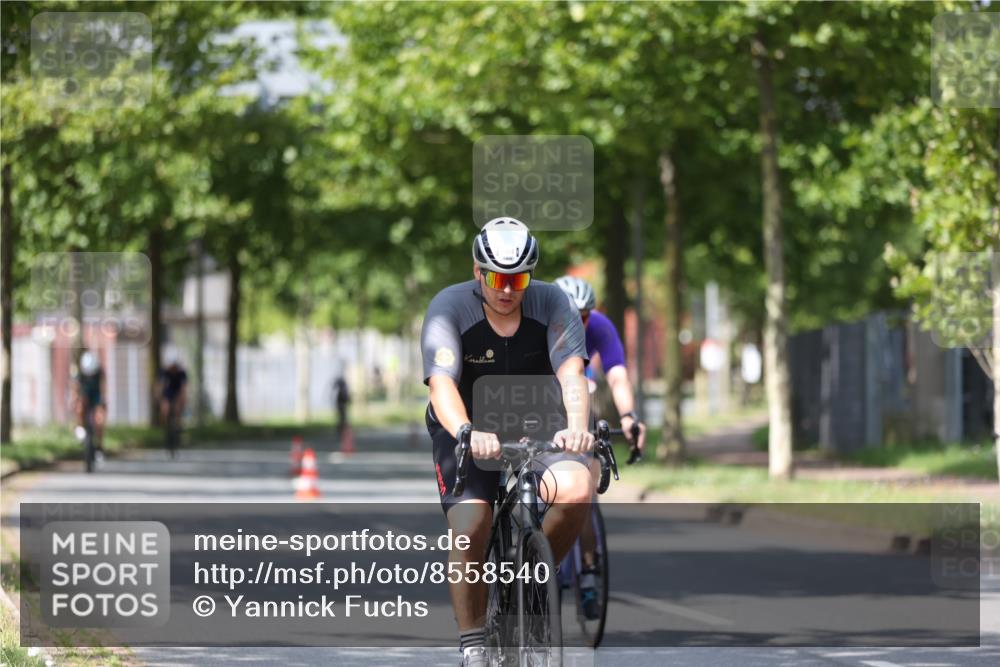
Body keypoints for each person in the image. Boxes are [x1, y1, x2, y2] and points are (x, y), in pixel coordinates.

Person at [421, 217, 597, 667]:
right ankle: (474, 644)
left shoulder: (552, 303)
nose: (507, 289)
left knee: (577, 488)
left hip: (540, 422)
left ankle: (530, 583)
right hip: (468, 424)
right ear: (478, 271)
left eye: (518, 278)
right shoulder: (448, 308)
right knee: (469, 527)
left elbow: (572, 374)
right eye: (497, 277)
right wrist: (466, 431)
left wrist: (577, 425)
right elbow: (441, 385)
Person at [555, 275, 647, 619]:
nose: (577, 322)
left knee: (586, 491)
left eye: (583, 316)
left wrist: (629, 415)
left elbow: (617, 374)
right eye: (569, 315)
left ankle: (589, 571)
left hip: (582, 389)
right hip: (542, 390)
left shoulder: (601, 326)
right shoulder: (535, 320)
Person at [73, 350, 107, 457]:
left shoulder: (100, 374)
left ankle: (99, 446)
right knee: (79, 409)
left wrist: (102, 402)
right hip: (85, 396)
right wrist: (75, 400)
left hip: (96, 396)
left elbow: (103, 389)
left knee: (99, 420)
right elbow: (75, 389)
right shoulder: (79, 375)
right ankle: (80, 429)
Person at [158, 354, 188, 439]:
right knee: (165, 408)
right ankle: (164, 427)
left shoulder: (181, 373)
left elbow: (184, 387)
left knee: (178, 407)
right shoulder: (164, 372)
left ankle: (178, 426)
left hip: (177, 391)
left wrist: (184, 398)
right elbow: (160, 385)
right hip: (167, 391)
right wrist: (160, 397)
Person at [332, 375, 351, 440]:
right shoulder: (342, 390)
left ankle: (342, 431)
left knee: (342, 419)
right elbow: (346, 398)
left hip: (341, 406)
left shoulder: (340, 390)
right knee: (342, 419)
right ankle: (342, 431)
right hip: (341, 406)